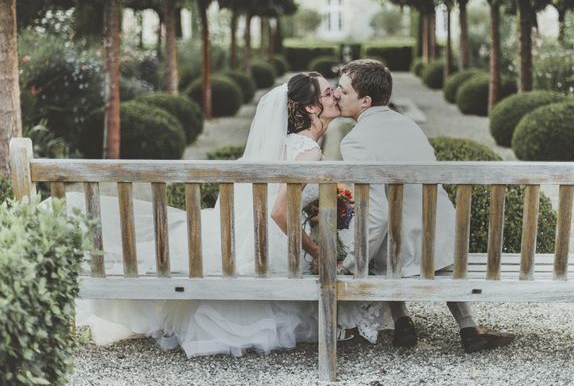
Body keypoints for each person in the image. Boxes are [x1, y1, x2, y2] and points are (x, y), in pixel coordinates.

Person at [67, 72, 388, 357]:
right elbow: (280, 213)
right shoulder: (309, 151)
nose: (333, 95)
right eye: (327, 92)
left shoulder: (287, 143)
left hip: (249, 236)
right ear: (309, 107)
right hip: (269, 247)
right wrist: (317, 251)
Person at [333, 59, 515, 353]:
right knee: (409, 226)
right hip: (443, 244)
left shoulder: (355, 141)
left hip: (401, 254)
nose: (336, 94)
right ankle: (468, 327)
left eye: (342, 90)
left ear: (365, 101)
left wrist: (352, 263)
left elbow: (377, 217)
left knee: (383, 235)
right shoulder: (410, 126)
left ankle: (402, 318)